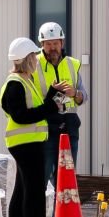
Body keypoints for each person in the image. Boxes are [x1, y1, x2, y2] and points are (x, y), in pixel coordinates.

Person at [0, 37, 65, 217]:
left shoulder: (25, 80)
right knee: (34, 189)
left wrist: (53, 93)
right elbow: (21, 116)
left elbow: (35, 109)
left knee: (22, 189)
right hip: (25, 143)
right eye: (33, 56)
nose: (37, 59)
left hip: (29, 142)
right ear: (27, 59)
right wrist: (52, 108)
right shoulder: (15, 84)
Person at [37, 22, 86, 189]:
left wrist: (75, 94)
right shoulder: (34, 65)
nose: (52, 48)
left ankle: (60, 216)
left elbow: (83, 96)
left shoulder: (73, 64)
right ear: (42, 45)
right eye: (48, 44)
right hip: (45, 128)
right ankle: (40, 215)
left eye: (56, 43)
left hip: (70, 127)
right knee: (41, 177)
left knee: (66, 177)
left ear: (62, 43)